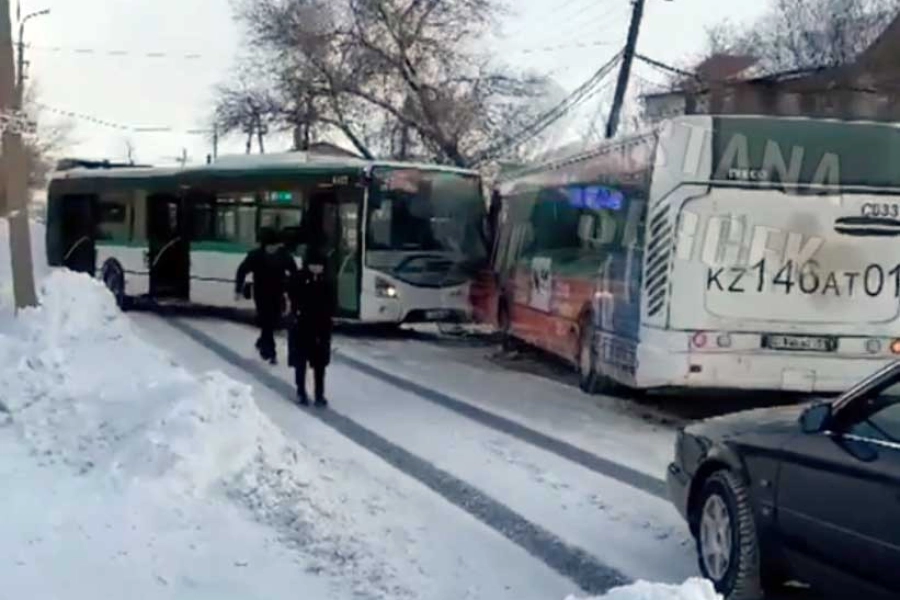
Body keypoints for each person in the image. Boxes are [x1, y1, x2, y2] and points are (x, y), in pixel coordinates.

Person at [235, 227, 297, 364]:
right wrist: (238, 289)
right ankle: (270, 352)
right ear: (265, 245)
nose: (273, 249)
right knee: (266, 320)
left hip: (278, 293)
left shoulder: (284, 256)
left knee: (273, 321)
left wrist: (294, 289)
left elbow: (294, 272)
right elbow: (242, 270)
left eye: (275, 246)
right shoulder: (255, 256)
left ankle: (262, 341)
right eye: (270, 246)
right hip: (261, 293)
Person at [287, 250, 335, 407]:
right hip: (301, 326)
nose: (316, 268)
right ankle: (301, 391)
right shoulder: (298, 278)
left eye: (319, 265)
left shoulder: (327, 282)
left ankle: (319, 394)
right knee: (301, 362)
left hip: (321, 328)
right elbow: (291, 297)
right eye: (313, 264)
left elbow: (332, 303)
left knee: (320, 364)